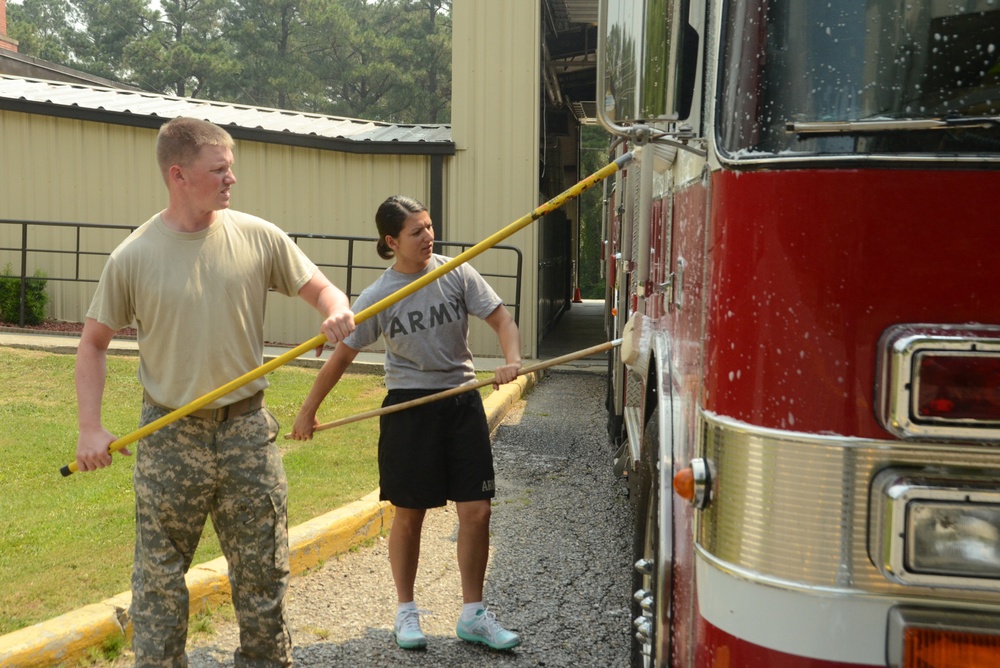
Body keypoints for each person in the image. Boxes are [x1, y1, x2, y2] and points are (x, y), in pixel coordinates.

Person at [74, 116, 355, 667]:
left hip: (248, 433)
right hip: (170, 435)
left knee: (263, 576)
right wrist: (90, 426)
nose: (232, 180)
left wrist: (336, 310)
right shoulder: (132, 257)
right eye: (219, 170)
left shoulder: (258, 235)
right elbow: (92, 343)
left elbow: (322, 289)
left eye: (232, 168)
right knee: (158, 585)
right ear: (178, 175)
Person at [291, 195, 523, 651]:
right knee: (410, 515)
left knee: (477, 511)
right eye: (416, 232)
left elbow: (502, 320)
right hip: (409, 408)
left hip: (460, 400)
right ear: (391, 241)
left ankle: (473, 614)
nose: (428, 237)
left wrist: (511, 361)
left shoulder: (454, 271)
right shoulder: (381, 295)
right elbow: (342, 356)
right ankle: (405, 611)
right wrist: (307, 409)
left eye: (430, 227)